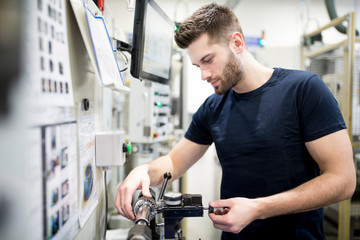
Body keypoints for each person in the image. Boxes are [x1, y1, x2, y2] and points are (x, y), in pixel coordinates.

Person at [115, 3, 356, 239]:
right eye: (198, 65)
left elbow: (343, 180)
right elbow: (174, 162)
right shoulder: (213, 107)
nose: (203, 75)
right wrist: (143, 170)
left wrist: (258, 208)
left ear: (237, 43)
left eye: (208, 60)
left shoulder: (304, 90)